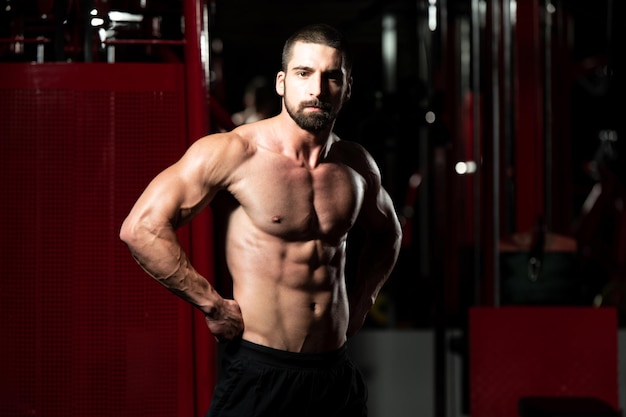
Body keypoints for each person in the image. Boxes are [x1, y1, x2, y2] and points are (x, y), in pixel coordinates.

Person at [119, 23, 402, 417]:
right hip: (261, 372)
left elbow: (388, 234)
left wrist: (363, 300)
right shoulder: (235, 152)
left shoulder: (356, 165)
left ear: (347, 88)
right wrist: (212, 305)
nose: (317, 90)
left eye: (331, 77)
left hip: (334, 373)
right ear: (282, 82)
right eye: (304, 74)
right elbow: (141, 228)